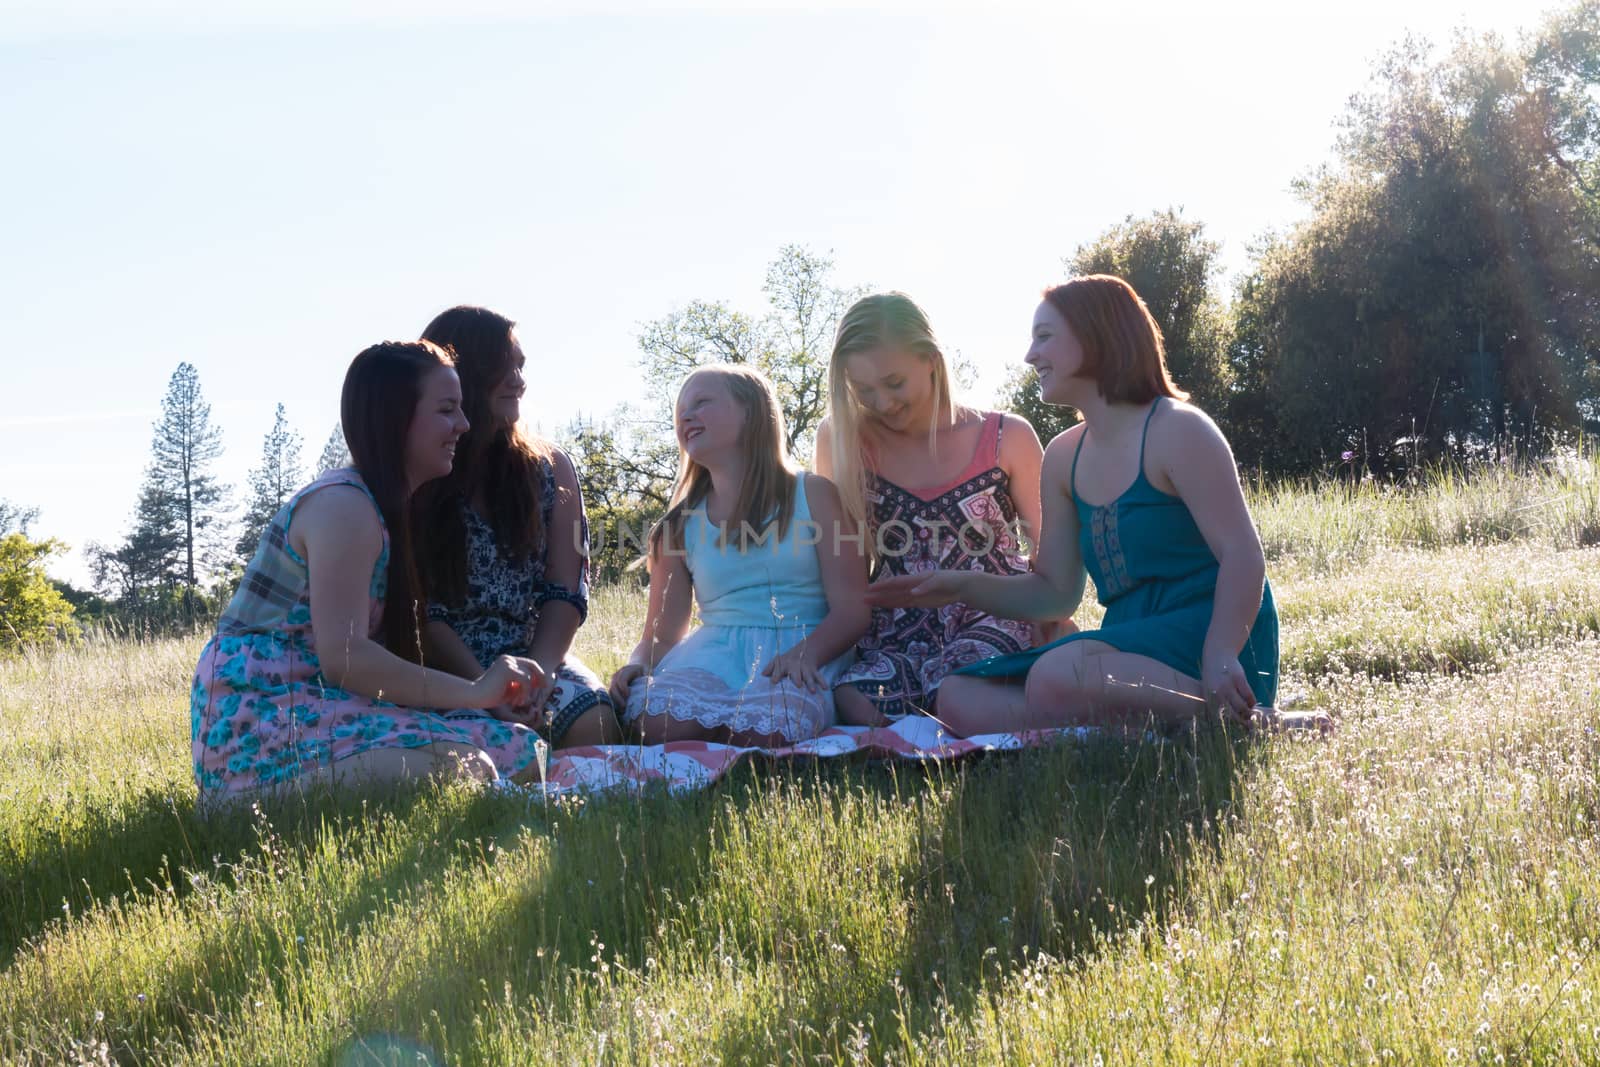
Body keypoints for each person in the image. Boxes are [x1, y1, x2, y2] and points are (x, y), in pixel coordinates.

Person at [865, 275, 1279, 736]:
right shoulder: (1064, 456)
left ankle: (1241, 719)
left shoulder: (1179, 430)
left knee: (1059, 675)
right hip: (1127, 643)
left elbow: (1243, 554)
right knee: (957, 696)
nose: (1030, 355)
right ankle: (1129, 728)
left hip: (1213, 636)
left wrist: (1221, 653)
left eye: (1044, 336)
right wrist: (961, 586)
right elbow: (1056, 594)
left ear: (1096, 333)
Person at [191, 340, 548, 800]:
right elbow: (346, 661)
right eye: (446, 410)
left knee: (522, 752)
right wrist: (479, 692)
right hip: (258, 717)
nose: (463, 424)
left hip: (317, 703)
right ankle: (238, 802)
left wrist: (485, 700)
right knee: (466, 770)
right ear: (396, 420)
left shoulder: (384, 506)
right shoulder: (344, 506)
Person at [815, 291, 1068, 725]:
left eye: (894, 383)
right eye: (863, 390)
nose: (882, 402)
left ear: (931, 359)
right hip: (896, 631)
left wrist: (1054, 622)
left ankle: (1062, 716)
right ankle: (957, 721)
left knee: (959, 689)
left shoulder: (1008, 436)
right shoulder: (841, 440)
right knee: (855, 700)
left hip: (994, 612)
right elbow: (843, 565)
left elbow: (1050, 555)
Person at [608, 364, 869, 747]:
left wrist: (806, 655)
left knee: (770, 726)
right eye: (680, 409)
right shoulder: (678, 526)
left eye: (702, 402)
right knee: (656, 720)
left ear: (752, 413)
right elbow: (661, 635)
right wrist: (637, 665)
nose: (686, 415)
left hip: (805, 648)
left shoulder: (813, 495)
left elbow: (853, 609)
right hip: (714, 653)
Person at [412, 306, 621, 748]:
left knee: (595, 728)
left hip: (533, 658)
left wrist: (540, 672)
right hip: (443, 668)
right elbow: (421, 614)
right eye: (502, 366)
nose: (519, 381)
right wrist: (484, 689)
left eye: (521, 366)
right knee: (490, 749)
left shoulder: (551, 466)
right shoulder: (420, 472)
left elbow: (565, 590)